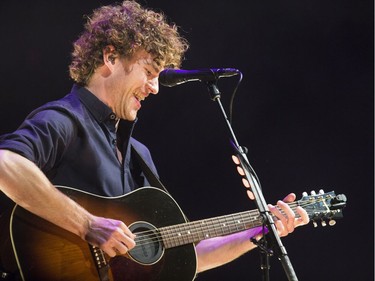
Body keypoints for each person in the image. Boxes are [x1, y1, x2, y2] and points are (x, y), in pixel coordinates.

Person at [0, 1, 309, 279]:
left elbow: (186, 256)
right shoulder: (62, 120)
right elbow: (5, 163)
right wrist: (88, 224)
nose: (155, 88)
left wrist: (258, 231)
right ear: (110, 56)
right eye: (148, 72)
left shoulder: (138, 155)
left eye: (158, 76)